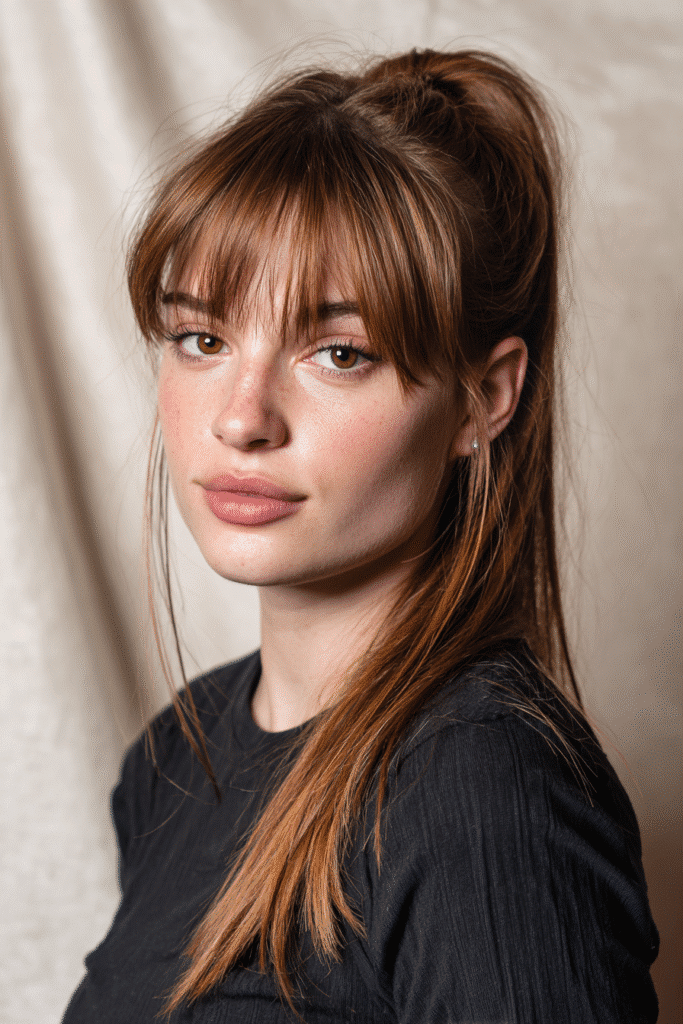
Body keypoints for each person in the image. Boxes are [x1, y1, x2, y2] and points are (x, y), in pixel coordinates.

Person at [62, 46, 660, 1023]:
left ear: (483, 397)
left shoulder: (482, 793)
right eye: (202, 339)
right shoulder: (174, 759)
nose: (242, 417)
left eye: (337, 352)